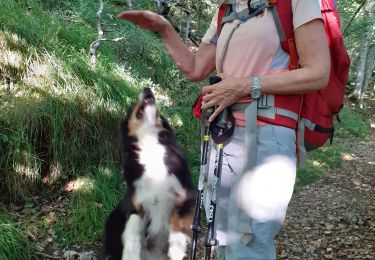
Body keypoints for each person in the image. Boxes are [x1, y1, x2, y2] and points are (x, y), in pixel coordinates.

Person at [117, 0, 330, 259]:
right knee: (224, 239)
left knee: (250, 242)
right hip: (222, 137)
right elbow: (195, 68)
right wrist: (164, 29)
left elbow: (318, 72)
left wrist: (246, 85)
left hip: (267, 138)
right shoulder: (228, 9)